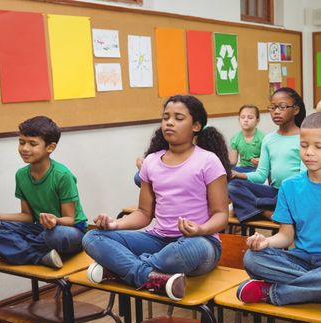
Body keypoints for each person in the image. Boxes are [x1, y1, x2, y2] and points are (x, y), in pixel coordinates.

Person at [83, 95, 231, 301]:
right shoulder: (151, 162)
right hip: (158, 240)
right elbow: (143, 213)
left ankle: (119, 270)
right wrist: (114, 225)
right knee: (92, 237)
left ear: (196, 125)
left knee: (184, 250)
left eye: (178, 118)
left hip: (200, 243)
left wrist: (201, 229)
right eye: (166, 117)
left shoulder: (208, 160)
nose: (169, 122)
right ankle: (148, 276)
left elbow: (221, 215)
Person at [236, 112, 321, 311]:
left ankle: (273, 293)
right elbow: (286, 236)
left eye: (318, 146)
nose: (309, 152)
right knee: (252, 258)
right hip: (298, 260)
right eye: (303, 145)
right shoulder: (289, 186)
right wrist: (266, 242)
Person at [0, 116, 87, 269]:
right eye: (21, 142)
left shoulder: (62, 175)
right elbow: (27, 217)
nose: (25, 148)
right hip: (40, 230)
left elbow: (70, 219)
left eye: (32, 144)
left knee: (55, 235)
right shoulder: (21, 175)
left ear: (50, 147)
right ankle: (39, 257)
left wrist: (55, 220)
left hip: (68, 231)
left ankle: (11, 249)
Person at [228, 87, 306, 221]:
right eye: (273, 107)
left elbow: (303, 177)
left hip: (293, 192)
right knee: (233, 186)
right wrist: (237, 175)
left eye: (282, 107)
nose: (276, 111)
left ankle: (254, 206)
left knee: (289, 195)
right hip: (273, 192)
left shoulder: (304, 137)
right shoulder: (269, 139)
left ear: (296, 110)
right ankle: (264, 211)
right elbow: (260, 175)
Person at [229, 104, 264, 173]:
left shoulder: (263, 138)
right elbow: (232, 163)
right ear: (239, 119)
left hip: (258, 170)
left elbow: (268, 162)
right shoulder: (235, 139)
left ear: (257, 121)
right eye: (242, 117)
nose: (245, 120)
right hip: (242, 170)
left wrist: (260, 161)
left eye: (250, 117)